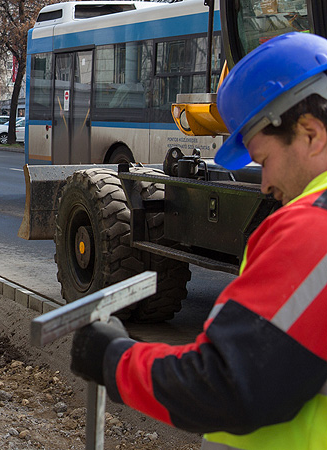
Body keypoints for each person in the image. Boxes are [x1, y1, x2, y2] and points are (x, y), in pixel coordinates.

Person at [69, 32, 327, 449]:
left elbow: (225, 384)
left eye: (264, 160)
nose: (265, 184)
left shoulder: (314, 228)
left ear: (311, 134)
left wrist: (114, 358)